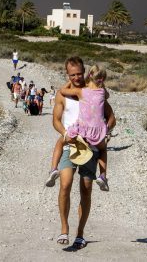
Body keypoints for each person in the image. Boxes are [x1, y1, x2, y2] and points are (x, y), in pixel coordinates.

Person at [50, 56, 116, 249]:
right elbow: (55, 120)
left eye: (79, 73)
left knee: (86, 190)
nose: (77, 77)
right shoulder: (64, 94)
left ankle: (80, 233)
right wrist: (64, 133)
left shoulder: (94, 90)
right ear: (67, 74)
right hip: (70, 144)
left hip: (91, 148)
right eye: (73, 75)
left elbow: (111, 118)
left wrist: (104, 132)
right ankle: (64, 228)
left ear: (84, 71)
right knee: (65, 185)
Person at [46, 64, 111, 191]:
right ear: (102, 79)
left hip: (82, 130)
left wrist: (69, 80)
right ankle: (103, 176)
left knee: (60, 142)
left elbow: (62, 91)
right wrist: (105, 130)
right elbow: (106, 98)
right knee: (103, 149)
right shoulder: (103, 93)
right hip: (97, 132)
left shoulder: (81, 92)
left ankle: (53, 169)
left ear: (89, 75)